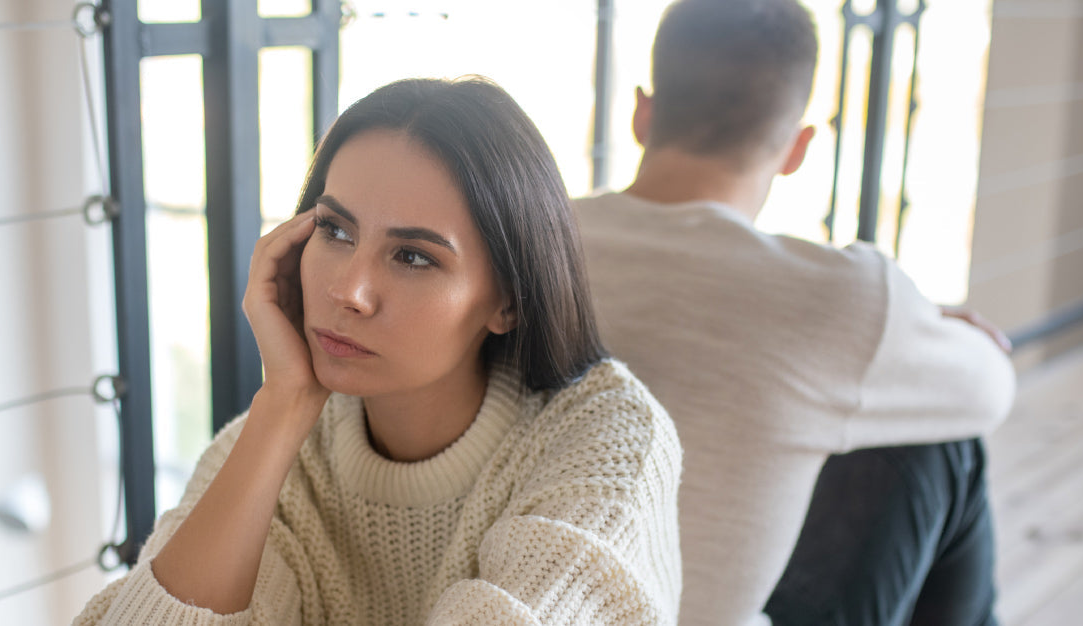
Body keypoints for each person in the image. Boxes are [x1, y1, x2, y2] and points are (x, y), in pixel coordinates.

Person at [75, 77, 683, 625]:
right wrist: (284, 403)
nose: (348, 292)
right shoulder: (273, 447)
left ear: (509, 301)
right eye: (335, 231)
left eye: (414, 256)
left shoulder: (608, 441)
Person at [574, 1, 1016, 625]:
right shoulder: (840, 297)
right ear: (798, 148)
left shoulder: (536, 240)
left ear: (642, 113)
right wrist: (926, 331)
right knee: (943, 445)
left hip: (533, 599)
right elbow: (991, 389)